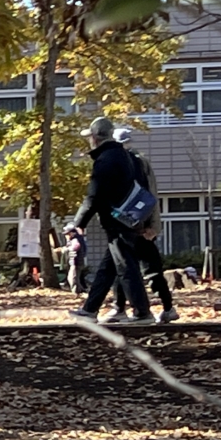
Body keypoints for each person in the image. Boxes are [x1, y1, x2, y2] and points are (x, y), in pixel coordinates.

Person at [68, 116, 154, 325]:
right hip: (131, 218)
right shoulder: (126, 156)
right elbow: (143, 185)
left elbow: (93, 197)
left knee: (126, 267)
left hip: (118, 221)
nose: (89, 141)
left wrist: (78, 223)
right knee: (108, 268)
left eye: (90, 137)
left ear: (96, 138)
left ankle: (142, 312)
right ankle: (90, 309)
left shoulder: (105, 160)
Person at [105, 128, 179, 323]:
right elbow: (151, 195)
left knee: (124, 266)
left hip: (126, 224)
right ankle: (167, 307)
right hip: (141, 223)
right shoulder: (140, 162)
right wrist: (153, 225)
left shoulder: (121, 163)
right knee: (146, 268)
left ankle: (120, 308)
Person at [63, 223, 88, 294]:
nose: (66, 235)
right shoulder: (75, 239)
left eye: (67, 234)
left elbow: (76, 247)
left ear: (72, 233)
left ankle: (76, 292)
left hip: (76, 261)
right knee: (73, 277)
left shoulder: (76, 239)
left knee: (72, 277)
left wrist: (66, 249)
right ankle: (81, 290)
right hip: (75, 261)